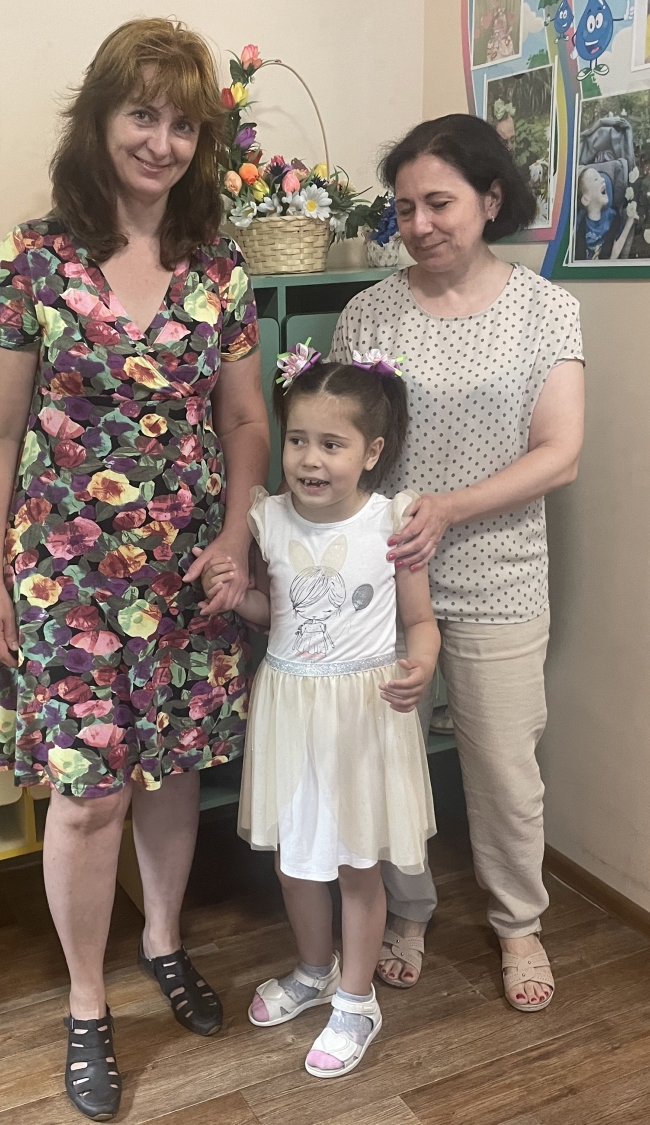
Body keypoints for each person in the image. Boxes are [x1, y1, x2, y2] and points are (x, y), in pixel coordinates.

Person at [0, 18, 268, 1122]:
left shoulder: (219, 267)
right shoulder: (31, 261)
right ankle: (88, 1002)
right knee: (88, 796)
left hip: (188, 573)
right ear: (98, 120)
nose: (160, 141)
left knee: (174, 774)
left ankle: (165, 939)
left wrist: (235, 536)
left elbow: (246, 422)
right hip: (68, 580)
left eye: (183, 124)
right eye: (142, 114)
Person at [329, 115, 585, 1011]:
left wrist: (448, 507)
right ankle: (407, 909)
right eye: (404, 208)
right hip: (383, 581)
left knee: (505, 768)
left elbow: (561, 453)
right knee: (388, 762)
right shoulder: (368, 313)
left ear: (490, 198)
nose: (420, 223)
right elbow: (343, 441)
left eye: (438, 202)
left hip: (500, 572)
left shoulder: (546, 309)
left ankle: (519, 923)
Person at [204, 350, 438, 1079]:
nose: (310, 458)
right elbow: (273, 611)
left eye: (332, 444)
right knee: (296, 860)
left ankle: (357, 999)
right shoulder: (267, 518)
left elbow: (421, 622)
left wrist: (422, 664)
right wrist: (236, 597)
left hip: (362, 717)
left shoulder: (394, 521)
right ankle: (315, 968)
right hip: (289, 710)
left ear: (371, 451)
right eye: (299, 439)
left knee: (357, 863)